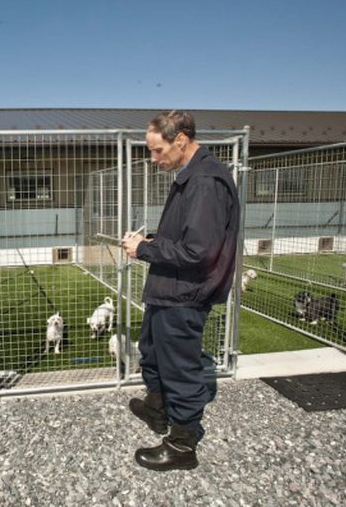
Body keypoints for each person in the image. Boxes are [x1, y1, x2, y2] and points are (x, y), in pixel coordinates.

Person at [121, 110, 239, 471]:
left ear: (181, 140)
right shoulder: (191, 176)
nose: (154, 159)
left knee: (180, 367)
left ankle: (183, 445)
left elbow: (199, 252)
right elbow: (189, 239)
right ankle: (157, 408)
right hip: (167, 287)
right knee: (153, 350)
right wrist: (153, 242)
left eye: (158, 151)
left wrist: (145, 248)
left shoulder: (205, 181)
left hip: (185, 293)